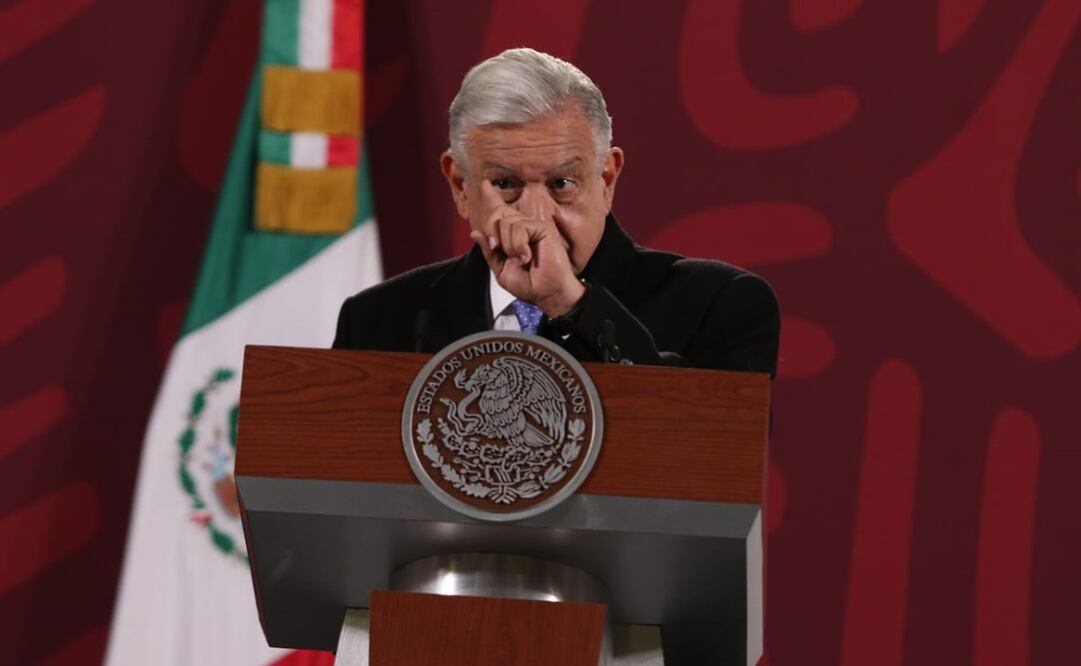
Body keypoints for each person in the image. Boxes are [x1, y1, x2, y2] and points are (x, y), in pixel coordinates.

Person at [333, 47, 780, 375]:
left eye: (561, 184)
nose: (536, 218)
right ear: (460, 186)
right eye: (506, 185)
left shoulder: (720, 304)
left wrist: (568, 303)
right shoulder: (378, 321)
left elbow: (703, 452)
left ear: (606, 180)